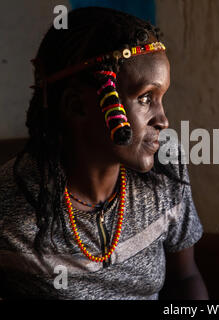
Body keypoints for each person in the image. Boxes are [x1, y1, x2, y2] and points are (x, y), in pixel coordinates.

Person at [0, 6, 208, 300]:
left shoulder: (167, 170)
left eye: (162, 98)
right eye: (145, 98)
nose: (163, 120)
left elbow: (186, 276)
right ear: (77, 106)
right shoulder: (10, 208)